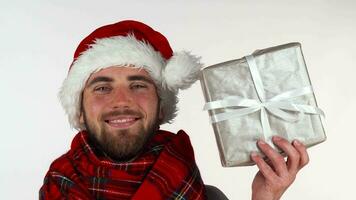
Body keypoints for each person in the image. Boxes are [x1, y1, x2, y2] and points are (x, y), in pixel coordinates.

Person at [39, 20, 309, 200]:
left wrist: (265, 197)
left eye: (138, 85)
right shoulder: (59, 188)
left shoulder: (207, 196)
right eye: (102, 88)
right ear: (80, 109)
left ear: (160, 107)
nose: (121, 101)